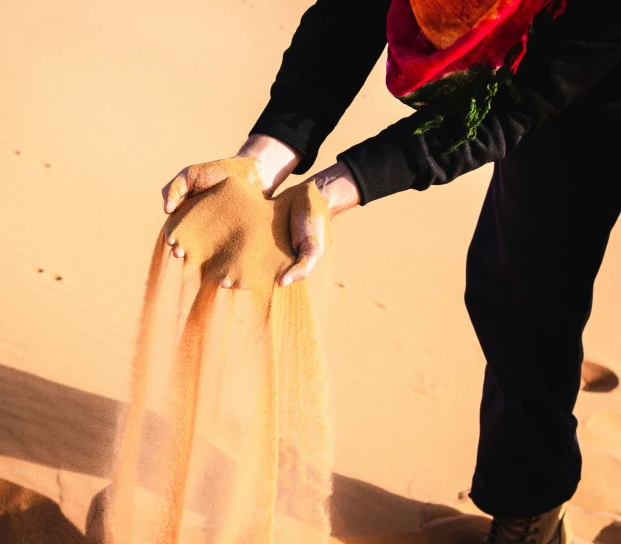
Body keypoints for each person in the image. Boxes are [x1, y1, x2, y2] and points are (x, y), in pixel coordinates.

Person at [161, 1, 621, 542]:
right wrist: (270, 158)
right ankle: (531, 506)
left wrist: (339, 186)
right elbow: (352, 16)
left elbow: (506, 109)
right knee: (523, 289)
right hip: (554, 77)